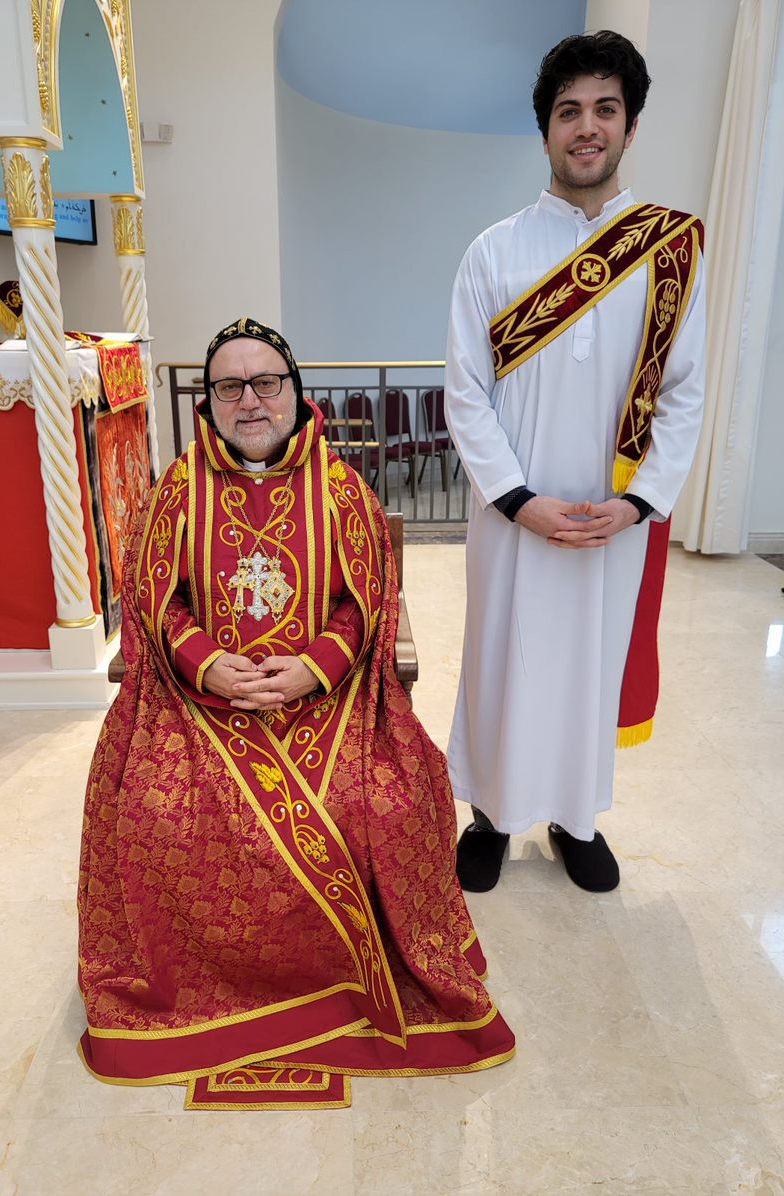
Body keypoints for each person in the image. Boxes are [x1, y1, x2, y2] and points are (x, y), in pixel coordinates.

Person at [77, 317, 514, 1110]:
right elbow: (153, 599)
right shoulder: (176, 489)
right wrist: (205, 662)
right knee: (154, 812)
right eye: (229, 386)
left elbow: (366, 600)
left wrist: (314, 668)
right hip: (202, 703)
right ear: (209, 400)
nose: (249, 400)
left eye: (265, 382)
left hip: (327, 698)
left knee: (382, 803)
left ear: (294, 391)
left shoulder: (342, 489)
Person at [445, 31, 706, 894]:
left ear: (629, 125)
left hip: (609, 518)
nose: (585, 126)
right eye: (568, 111)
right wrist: (516, 498)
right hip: (512, 517)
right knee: (500, 659)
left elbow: (683, 391)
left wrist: (638, 504)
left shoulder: (669, 252)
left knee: (589, 665)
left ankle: (575, 817)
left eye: (604, 108)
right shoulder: (493, 252)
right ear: (545, 129)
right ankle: (488, 814)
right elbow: (466, 393)